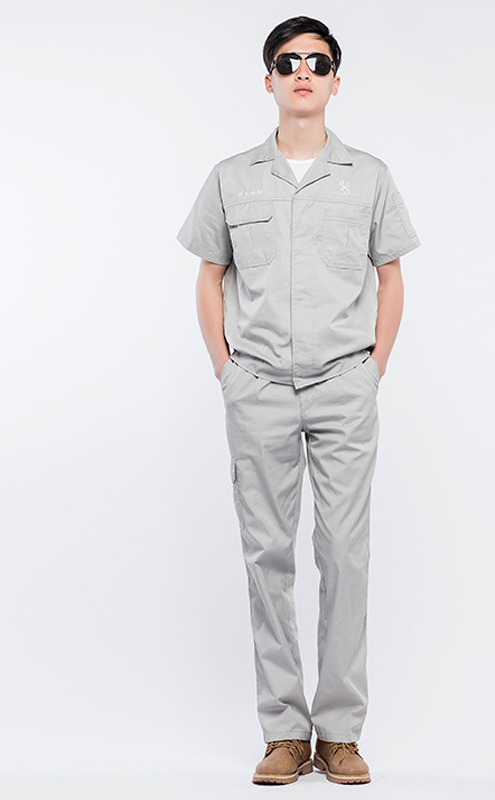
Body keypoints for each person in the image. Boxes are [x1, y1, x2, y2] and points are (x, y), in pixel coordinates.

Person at [177, 15, 420, 786]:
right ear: (270, 80)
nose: (302, 72)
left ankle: (340, 733)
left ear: (336, 81)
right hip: (258, 389)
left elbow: (390, 276)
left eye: (317, 61)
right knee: (267, 554)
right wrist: (226, 369)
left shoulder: (369, 177)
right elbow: (210, 274)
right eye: (288, 62)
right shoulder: (231, 177)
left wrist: (373, 369)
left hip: (343, 384)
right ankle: (284, 731)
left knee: (345, 553)